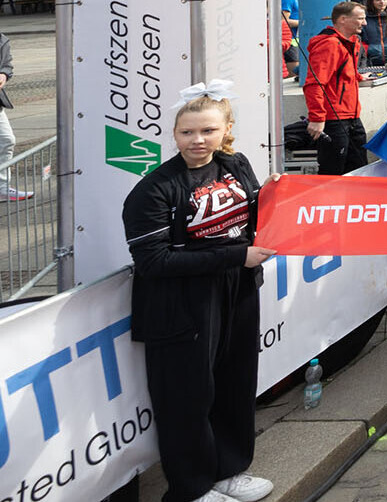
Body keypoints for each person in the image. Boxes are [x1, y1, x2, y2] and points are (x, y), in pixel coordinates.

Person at [122, 85, 276, 502]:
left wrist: (281, 198)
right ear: (174, 134)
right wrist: (234, 257)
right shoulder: (154, 189)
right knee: (187, 397)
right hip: (179, 305)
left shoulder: (236, 164)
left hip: (237, 290)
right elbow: (153, 262)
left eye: (207, 130)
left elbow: (258, 213)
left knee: (234, 383)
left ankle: (229, 471)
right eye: (187, 132)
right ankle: (190, 488)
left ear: (225, 130)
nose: (197, 141)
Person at [303, 2, 369, 175]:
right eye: (360, 18)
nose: (364, 23)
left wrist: (359, 76)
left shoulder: (349, 42)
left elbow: (343, 71)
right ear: (343, 20)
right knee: (333, 172)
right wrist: (317, 117)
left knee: (359, 168)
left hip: (351, 116)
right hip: (335, 119)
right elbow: (314, 83)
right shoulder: (330, 45)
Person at [0, 31, 33, 201]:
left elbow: (7, 65)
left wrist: (3, 75)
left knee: (6, 140)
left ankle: (2, 187)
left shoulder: (2, 39)